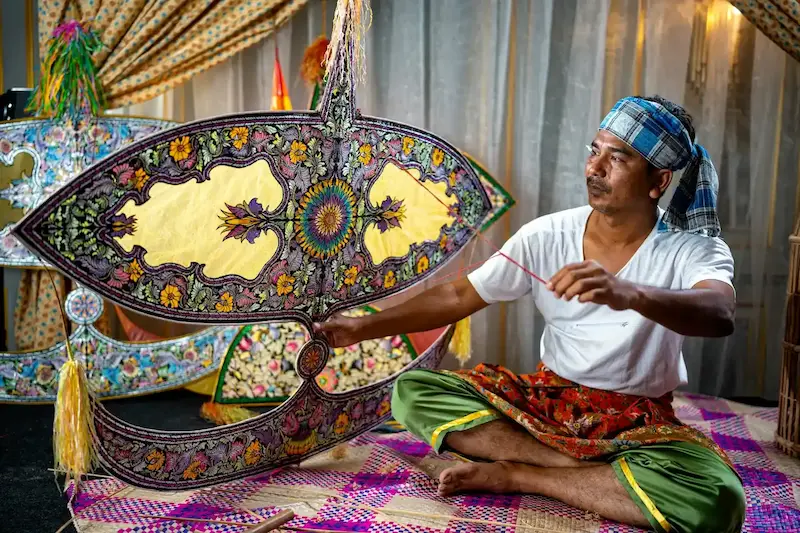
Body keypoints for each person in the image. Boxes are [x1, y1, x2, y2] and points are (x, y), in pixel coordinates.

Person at [314, 95, 746, 533]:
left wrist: (630, 293)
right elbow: (460, 294)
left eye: (618, 158)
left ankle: (522, 474)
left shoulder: (693, 248)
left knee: (718, 503)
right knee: (413, 391)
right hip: (547, 405)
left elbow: (719, 310)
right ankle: (575, 467)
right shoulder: (548, 233)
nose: (594, 169)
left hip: (636, 423)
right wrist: (361, 327)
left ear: (659, 180)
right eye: (594, 151)